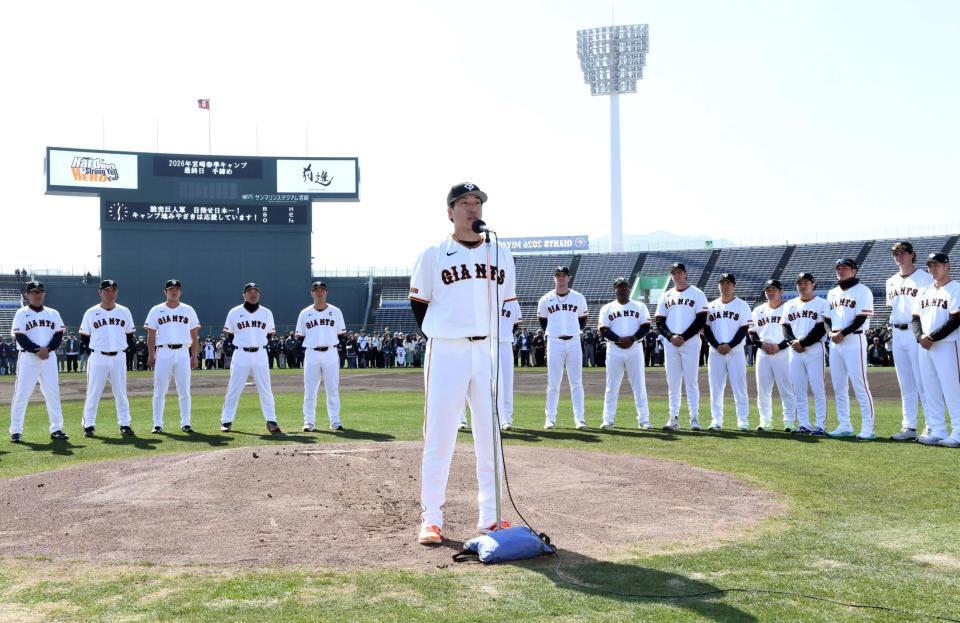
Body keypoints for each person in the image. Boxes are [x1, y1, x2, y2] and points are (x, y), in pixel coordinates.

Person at [408, 182, 516, 546]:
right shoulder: (434, 252)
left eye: (477, 203)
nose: (473, 209)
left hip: (487, 351)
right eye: (464, 203)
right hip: (448, 349)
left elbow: (507, 304)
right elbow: (419, 303)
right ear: (450, 211)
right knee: (440, 436)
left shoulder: (501, 252)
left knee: (490, 435)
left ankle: (491, 516)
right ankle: (432, 518)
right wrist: (443, 330)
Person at [886, 241, 934, 441]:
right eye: (896, 253)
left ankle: (932, 426)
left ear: (912, 254)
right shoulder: (891, 281)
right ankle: (909, 426)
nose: (900, 256)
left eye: (904, 252)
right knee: (905, 383)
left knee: (923, 381)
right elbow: (893, 307)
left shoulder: (924, 278)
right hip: (897, 332)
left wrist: (923, 333)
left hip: (916, 332)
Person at [8, 281, 67, 442]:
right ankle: (16, 430)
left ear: (44, 294)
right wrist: (36, 350)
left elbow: (58, 334)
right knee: (21, 393)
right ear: (27, 295)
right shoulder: (21, 313)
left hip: (49, 358)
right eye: (34, 292)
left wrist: (47, 349)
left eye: (40, 291)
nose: (37, 294)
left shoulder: (53, 313)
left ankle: (56, 429)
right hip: (28, 358)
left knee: (53, 393)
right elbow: (20, 336)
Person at [219, 283, 280, 434]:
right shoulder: (234, 312)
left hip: (260, 353)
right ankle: (226, 421)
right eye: (249, 291)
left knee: (265, 388)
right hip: (241, 354)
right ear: (244, 295)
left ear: (259, 294)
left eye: (256, 292)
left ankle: (271, 421)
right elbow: (230, 334)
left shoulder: (266, 313)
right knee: (234, 388)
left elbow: (269, 334)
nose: (253, 294)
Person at [825, 258, 876, 439]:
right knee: (839, 387)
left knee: (860, 385)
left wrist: (842, 333)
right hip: (835, 341)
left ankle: (868, 428)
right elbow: (827, 318)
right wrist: (831, 333)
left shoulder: (863, 291)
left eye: (845, 267)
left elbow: (860, 319)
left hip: (854, 340)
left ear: (854, 271)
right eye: (838, 267)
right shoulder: (832, 293)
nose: (841, 270)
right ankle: (844, 424)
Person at [79, 279, 137, 437]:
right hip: (98, 357)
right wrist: (94, 348)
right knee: (93, 392)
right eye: (107, 290)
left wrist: (123, 346)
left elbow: (130, 334)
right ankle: (89, 425)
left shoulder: (124, 311)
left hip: (118, 357)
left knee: (121, 392)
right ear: (100, 292)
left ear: (116, 292)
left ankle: (125, 424)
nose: (110, 293)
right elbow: (84, 336)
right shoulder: (91, 312)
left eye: (113, 290)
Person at [913, 253, 960, 447]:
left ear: (947, 266)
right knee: (930, 388)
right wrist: (920, 337)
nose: (933, 269)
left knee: (952, 389)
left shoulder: (956, 288)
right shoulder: (924, 290)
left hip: (948, 344)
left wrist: (931, 337)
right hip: (925, 346)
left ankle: (958, 432)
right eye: (930, 266)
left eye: (937, 265)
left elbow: (956, 319)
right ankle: (938, 429)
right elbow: (915, 318)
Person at [655, 262, 708, 431]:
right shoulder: (666, 295)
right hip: (671, 343)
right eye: (674, 273)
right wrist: (671, 337)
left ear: (686, 274)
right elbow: (659, 321)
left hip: (690, 341)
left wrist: (683, 337)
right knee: (673, 382)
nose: (677, 275)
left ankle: (694, 418)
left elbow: (701, 320)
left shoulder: (697, 293)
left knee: (691, 381)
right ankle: (673, 418)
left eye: (679, 272)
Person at [144, 279, 201, 434]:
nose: (174, 291)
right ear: (165, 292)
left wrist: (194, 356)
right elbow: (151, 335)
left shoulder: (188, 310)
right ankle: (157, 424)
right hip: (163, 351)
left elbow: (195, 335)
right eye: (170, 289)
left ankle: (186, 422)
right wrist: (151, 354)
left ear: (180, 292)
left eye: (176, 289)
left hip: (183, 351)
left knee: (184, 390)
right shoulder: (156, 310)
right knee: (159, 390)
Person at [538, 266, 589, 429]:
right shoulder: (545, 299)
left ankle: (579, 418)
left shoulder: (578, 297)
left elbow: (583, 320)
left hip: (574, 341)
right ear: (554, 278)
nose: (561, 278)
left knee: (576, 382)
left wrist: (573, 331)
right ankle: (550, 418)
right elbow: (543, 322)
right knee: (553, 382)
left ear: (569, 278)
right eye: (558, 275)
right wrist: (556, 332)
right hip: (554, 341)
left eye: (564, 275)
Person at [598, 277, 652, 429]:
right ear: (614, 290)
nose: (622, 289)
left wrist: (632, 339)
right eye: (619, 287)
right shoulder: (607, 308)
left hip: (635, 348)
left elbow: (646, 326)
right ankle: (608, 420)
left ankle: (644, 420)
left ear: (629, 289)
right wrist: (619, 340)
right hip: (614, 349)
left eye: (624, 287)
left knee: (639, 385)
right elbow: (603, 329)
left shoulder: (639, 306)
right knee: (611, 386)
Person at [780, 272, 830, 435]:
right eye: (800, 283)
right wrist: (793, 342)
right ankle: (804, 424)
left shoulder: (822, 303)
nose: (802, 286)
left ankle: (820, 425)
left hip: (814, 348)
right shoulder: (790, 304)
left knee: (817, 388)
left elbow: (821, 327)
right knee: (798, 389)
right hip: (794, 350)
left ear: (813, 284)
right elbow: (785, 327)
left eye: (806, 282)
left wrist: (802, 343)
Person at [296, 281, 347, 432]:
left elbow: (341, 334)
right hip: (312, 353)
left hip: (331, 352)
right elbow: (300, 336)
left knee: (332, 389)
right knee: (310, 390)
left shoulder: (336, 311)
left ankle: (335, 421)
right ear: (312, 293)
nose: (319, 292)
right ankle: (309, 422)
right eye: (316, 290)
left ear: (326, 293)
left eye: (322, 290)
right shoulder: (305, 313)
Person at [703, 273, 752, 431]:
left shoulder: (742, 305)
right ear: (719, 285)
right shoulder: (711, 306)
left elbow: (744, 329)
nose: (725, 286)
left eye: (728, 283)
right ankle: (716, 420)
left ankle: (743, 420)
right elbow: (706, 329)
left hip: (736, 351)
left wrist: (730, 345)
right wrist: (717, 345)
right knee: (715, 388)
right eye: (722, 283)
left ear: (734, 286)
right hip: (715, 351)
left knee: (739, 387)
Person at [750, 279, 797, 432]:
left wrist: (780, 346)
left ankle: (789, 421)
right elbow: (752, 333)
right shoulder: (758, 310)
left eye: (774, 290)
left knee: (786, 388)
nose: (770, 292)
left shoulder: (788, 308)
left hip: (783, 352)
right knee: (763, 389)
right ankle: (765, 421)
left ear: (781, 291)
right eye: (768, 290)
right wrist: (761, 345)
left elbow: (792, 333)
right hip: (763, 353)